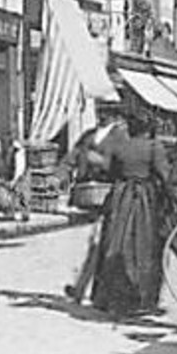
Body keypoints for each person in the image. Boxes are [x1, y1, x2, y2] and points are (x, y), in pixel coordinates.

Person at [90, 115, 177, 317]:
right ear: (149, 130)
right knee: (145, 247)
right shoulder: (154, 147)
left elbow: (111, 172)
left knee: (115, 243)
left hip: (120, 199)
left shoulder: (120, 146)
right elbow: (166, 177)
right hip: (144, 199)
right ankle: (142, 299)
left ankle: (112, 299)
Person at [63, 112, 128, 303]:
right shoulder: (89, 135)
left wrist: (101, 162)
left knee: (97, 241)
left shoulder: (121, 137)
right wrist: (60, 173)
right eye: (100, 109)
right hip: (86, 195)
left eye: (107, 109)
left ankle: (82, 287)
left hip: (107, 194)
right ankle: (84, 288)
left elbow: (122, 165)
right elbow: (72, 156)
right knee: (92, 242)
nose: (102, 114)